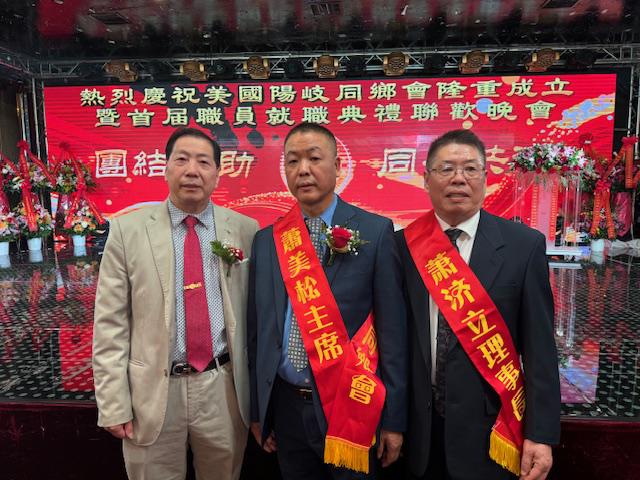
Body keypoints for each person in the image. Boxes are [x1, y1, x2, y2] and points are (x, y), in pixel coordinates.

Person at [93, 127, 259, 480]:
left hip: (222, 387)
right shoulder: (127, 230)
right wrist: (113, 403)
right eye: (181, 159)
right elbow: (110, 324)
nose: (192, 170)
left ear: (218, 173)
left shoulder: (246, 229)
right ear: (165, 168)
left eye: (203, 162)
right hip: (153, 391)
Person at [395, 129, 560, 480]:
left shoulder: (523, 247)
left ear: (486, 178)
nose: (459, 178)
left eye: (470, 169)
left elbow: (540, 350)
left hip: (490, 428)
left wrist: (541, 434)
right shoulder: (401, 247)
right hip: (416, 431)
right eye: (446, 169)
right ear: (426, 179)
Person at [247, 122, 407, 479]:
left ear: (337, 166)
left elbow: (393, 334)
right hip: (286, 408)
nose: (303, 170)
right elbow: (258, 333)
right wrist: (260, 412)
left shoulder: (375, 232)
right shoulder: (267, 240)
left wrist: (394, 420)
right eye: (292, 161)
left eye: (314, 158)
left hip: (351, 404)